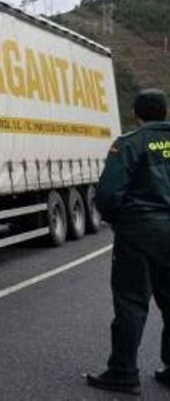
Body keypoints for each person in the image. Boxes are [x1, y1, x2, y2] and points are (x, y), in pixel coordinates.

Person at [87, 89, 170, 395]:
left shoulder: (129, 144)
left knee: (132, 303)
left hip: (141, 232)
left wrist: (120, 221)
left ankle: (123, 371)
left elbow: (107, 195)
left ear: (136, 114)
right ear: (165, 112)